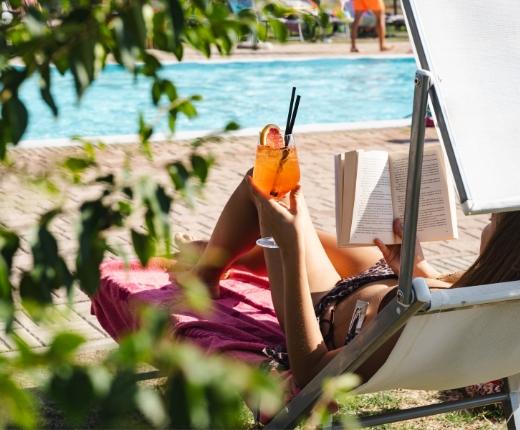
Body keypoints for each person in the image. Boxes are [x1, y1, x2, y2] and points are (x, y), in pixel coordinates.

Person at [167, 170, 520, 389]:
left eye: (491, 223)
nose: (484, 227)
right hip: (387, 286)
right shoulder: (499, 296)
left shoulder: (413, 327)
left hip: (332, 311)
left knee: (263, 186)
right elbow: (445, 293)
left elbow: (311, 373)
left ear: (507, 249)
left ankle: (205, 273)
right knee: (286, 225)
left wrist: (289, 254)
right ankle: (225, 255)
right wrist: (412, 268)